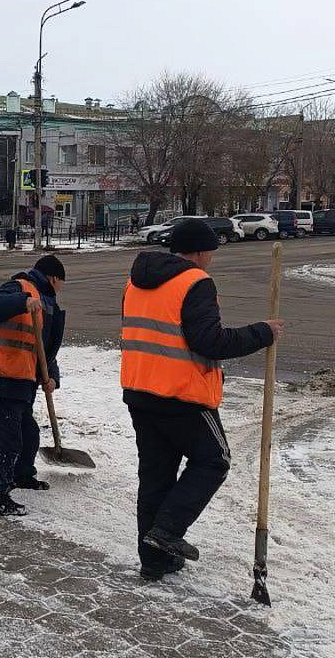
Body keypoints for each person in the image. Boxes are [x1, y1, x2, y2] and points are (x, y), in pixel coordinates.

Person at [120, 219, 283, 581]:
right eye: (210, 251)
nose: (211, 258)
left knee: (156, 476)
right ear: (197, 251)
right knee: (214, 460)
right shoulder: (195, 282)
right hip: (182, 396)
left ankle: (154, 559)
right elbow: (210, 341)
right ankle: (166, 532)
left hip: (141, 391)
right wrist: (262, 333)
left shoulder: (136, 282)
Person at [0, 254, 66, 516]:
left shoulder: (47, 302)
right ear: (53, 278)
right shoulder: (19, 288)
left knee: (28, 433)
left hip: (23, 378)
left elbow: (44, 349)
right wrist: (22, 302)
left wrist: (51, 377)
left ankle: (21, 475)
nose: (62, 288)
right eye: (62, 282)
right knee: (6, 439)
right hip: (3, 374)